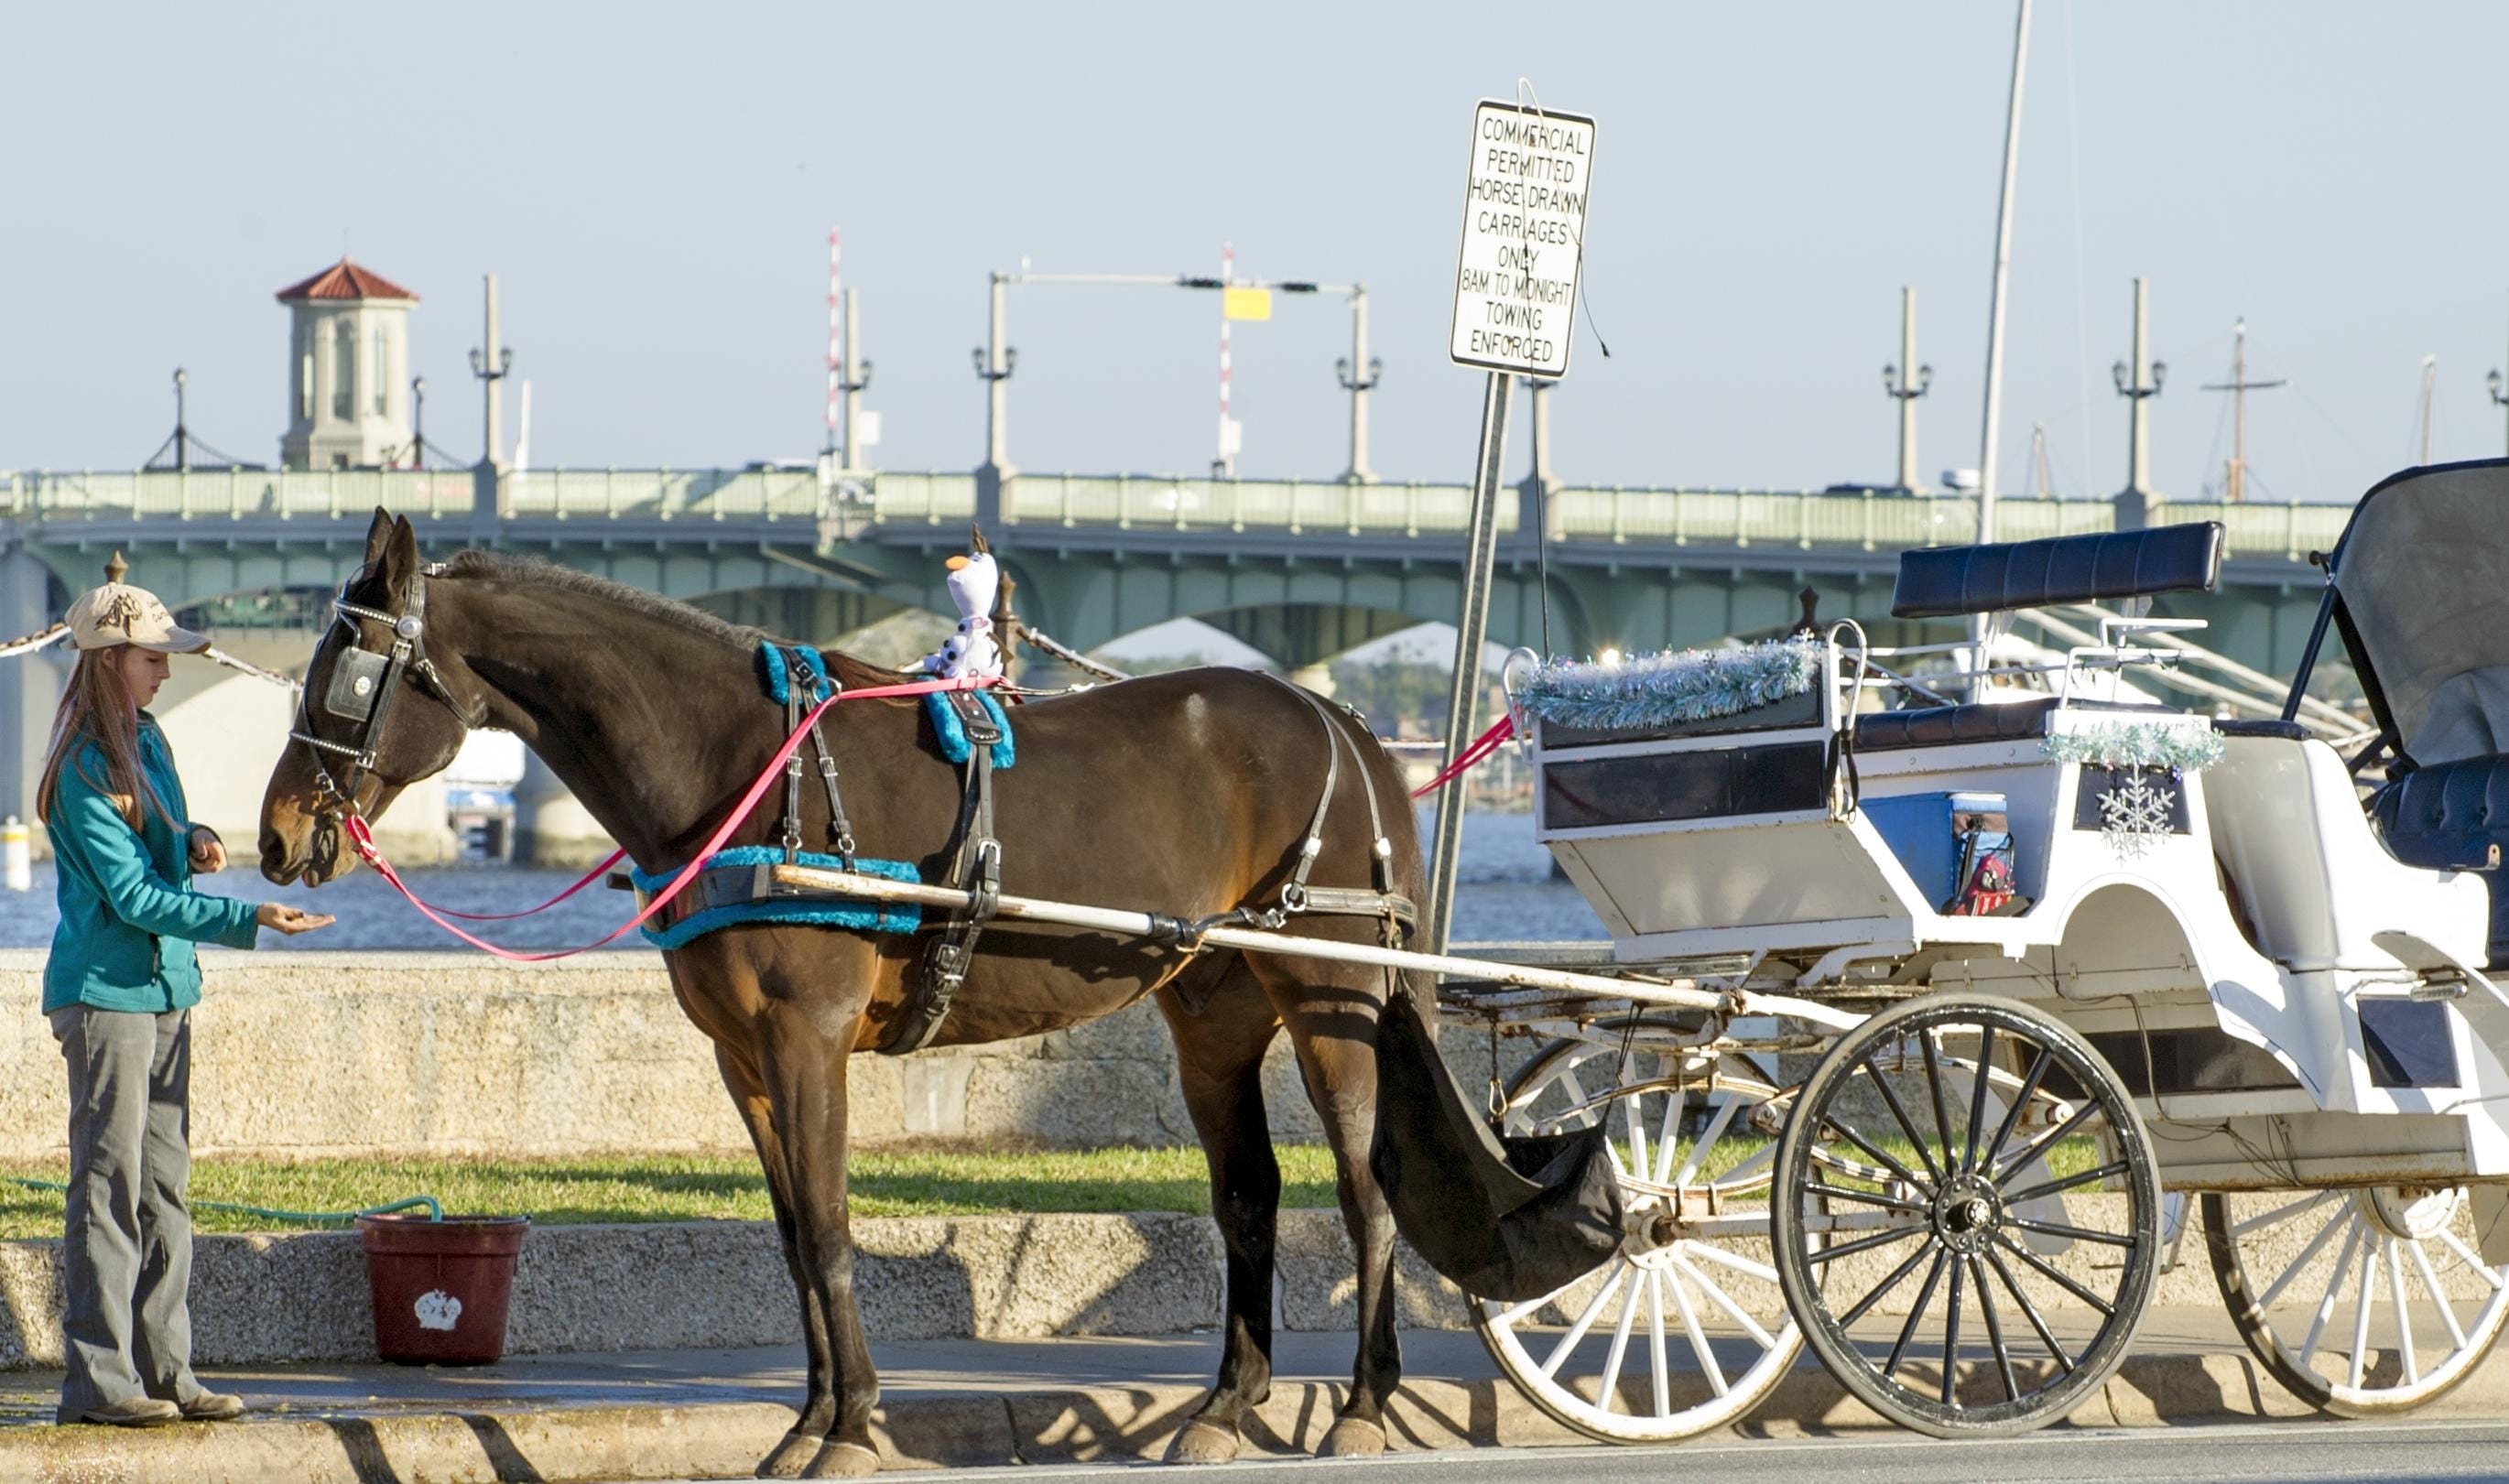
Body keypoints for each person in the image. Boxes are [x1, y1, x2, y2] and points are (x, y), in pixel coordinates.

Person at [35, 580, 332, 1427]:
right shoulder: (83, 767)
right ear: (108, 661)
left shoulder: (149, 741)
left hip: (165, 989)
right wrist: (250, 916)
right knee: (109, 1185)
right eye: (153, 655)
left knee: (166, 1189)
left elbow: (158, 846)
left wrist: (193, 840)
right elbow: (131, 897)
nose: (166, 669)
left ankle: (168, 1372)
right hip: (106, 996)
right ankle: (99, 1382)